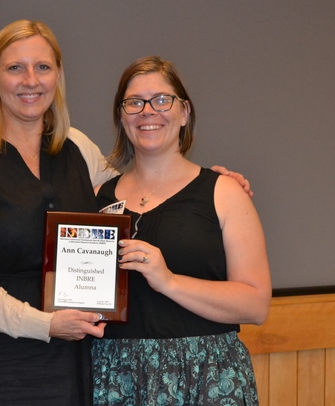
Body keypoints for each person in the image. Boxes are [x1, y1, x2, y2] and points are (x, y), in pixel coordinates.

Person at [0, 20, 252, 406]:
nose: (30, 80)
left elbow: (144, 190)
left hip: (66, 366)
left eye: (43, 67)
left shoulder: (77, 150)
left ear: (58, 76)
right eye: (14, 68)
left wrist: (208, 182)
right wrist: (44, 324)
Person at [92, 56, 271, 405]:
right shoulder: (98, 198)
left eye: (162, 100)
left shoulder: (224, 192)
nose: (148, 111)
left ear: (184, 112)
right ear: (121, 116)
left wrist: (170, 281)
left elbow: (256, 304)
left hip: (207, 377)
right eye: (134, 102)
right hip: (116, 378)